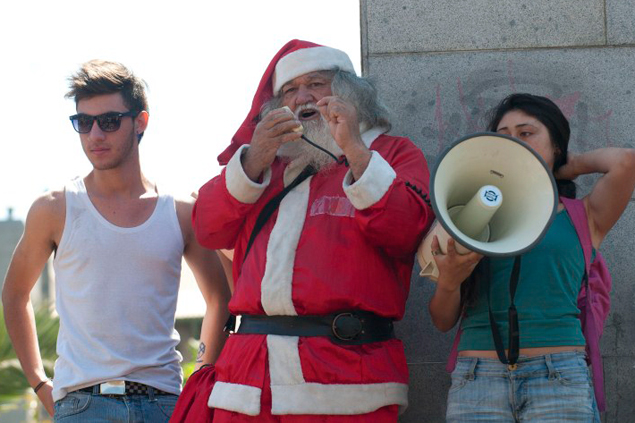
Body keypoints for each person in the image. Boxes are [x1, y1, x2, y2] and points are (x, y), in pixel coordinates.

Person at [188, 39, 434, 422]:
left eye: (317, 83)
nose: (302, 96)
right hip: (247, 386)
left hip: (347, 382)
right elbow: (208, 230)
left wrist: (354, 149)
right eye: (289, 90)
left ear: (349, 94)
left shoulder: (393, 153)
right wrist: (253, 158)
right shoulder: (262, 169)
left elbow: (405, 232)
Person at [1, 60, 231, 422]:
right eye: (83, 122)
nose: (95, 135)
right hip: (82, 405)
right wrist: (40, 384)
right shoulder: (54, 208)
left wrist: (202, 373)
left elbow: (220, 297)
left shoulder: (181, 210)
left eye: (109, 121)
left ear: (140, 122)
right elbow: (14, 295)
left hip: (164, 403)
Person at [428, 93, 635, 422]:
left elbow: (626, 161)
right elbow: (441, 321)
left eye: (526, 133)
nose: (515, 143)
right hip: (478, 378)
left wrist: (561, 166)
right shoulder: (471, 212)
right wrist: (450, 283)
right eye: (504, 136)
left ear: (556, 144)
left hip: (559, 377)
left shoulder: (586, 216)